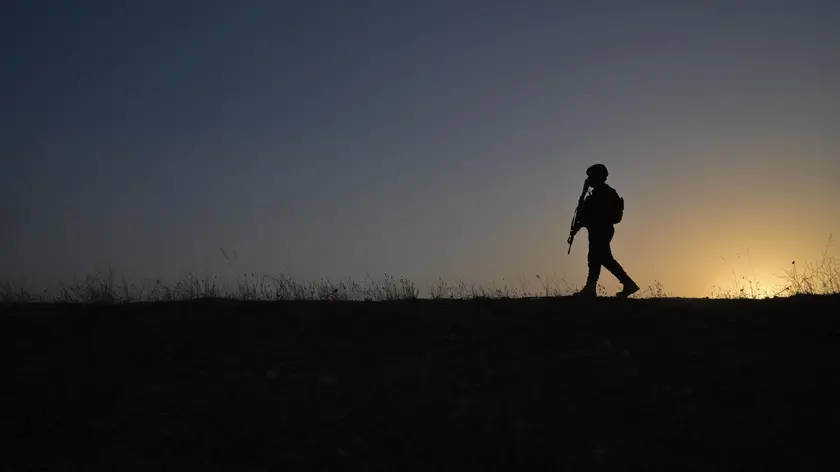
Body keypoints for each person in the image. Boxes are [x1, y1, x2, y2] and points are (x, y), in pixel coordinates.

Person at [569, 164, 639, 298]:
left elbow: (597, 214)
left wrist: (585, 215)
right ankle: (595, 287)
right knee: (599, 258)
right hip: (596, 229)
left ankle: (594, 288)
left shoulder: (605, 193)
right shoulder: (594, 194)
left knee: (600, 258)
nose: (589, 179)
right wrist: (583, 193)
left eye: (591, 176)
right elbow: (583, 213)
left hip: (602, 229)